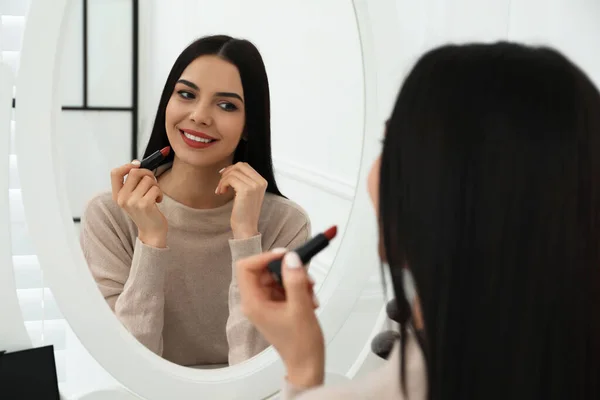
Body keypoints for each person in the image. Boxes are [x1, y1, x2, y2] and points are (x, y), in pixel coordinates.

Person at [236, 41, 600, 399]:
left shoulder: (286, 218)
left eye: (390, 144)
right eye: (186, 94)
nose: (201, 116)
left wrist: (302, 375)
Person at [79, 35, 311, 367]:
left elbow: (256, 365)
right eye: (186, 95)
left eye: (227, 105)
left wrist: (246, 236)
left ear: (249, 126)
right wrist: (151, 240)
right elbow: (129, 365)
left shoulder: (285, 225)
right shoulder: (109, 215)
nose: (200, 116)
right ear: (167, 104)